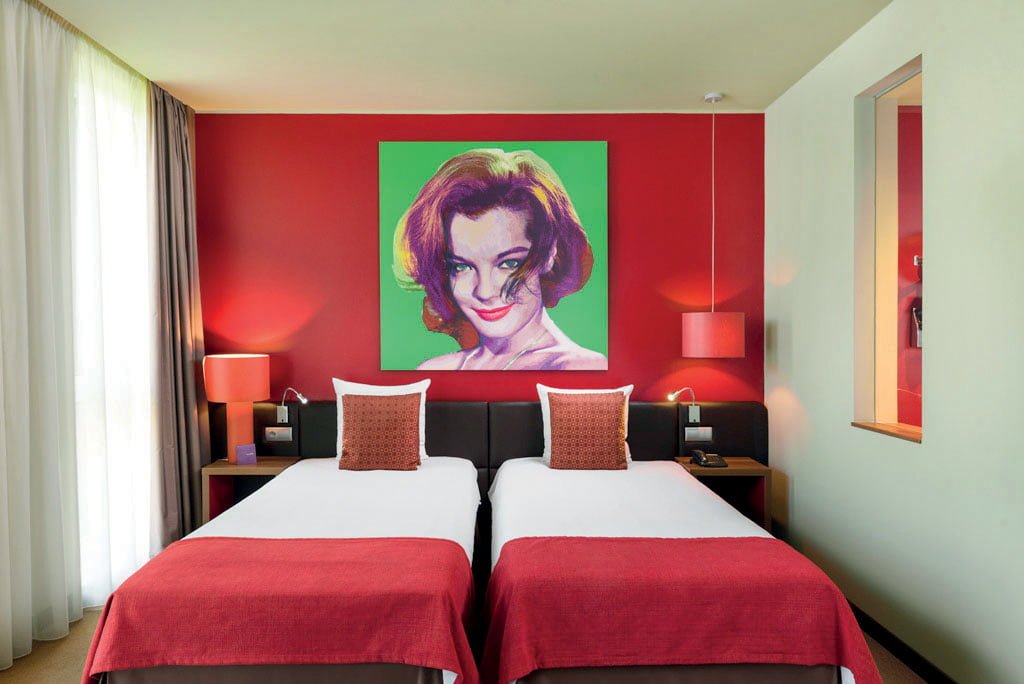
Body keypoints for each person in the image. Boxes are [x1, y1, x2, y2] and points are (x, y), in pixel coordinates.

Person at [392, 148, 607, 371]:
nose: (484, 292)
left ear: (549, 253)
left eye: (509, 264)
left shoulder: (578, 367)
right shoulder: (437, 369)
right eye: (461, 267)